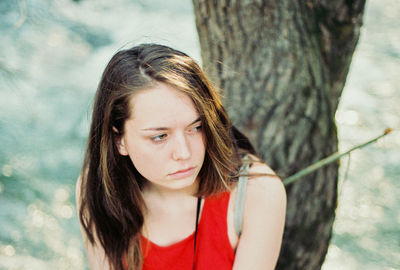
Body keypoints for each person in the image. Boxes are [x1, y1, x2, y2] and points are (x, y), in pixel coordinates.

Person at [76, 43, 286, 270]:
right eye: (159, 136)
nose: (184, 153)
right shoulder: (98, 190)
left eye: (195, 127)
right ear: (119, 140)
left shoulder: (257, 192)